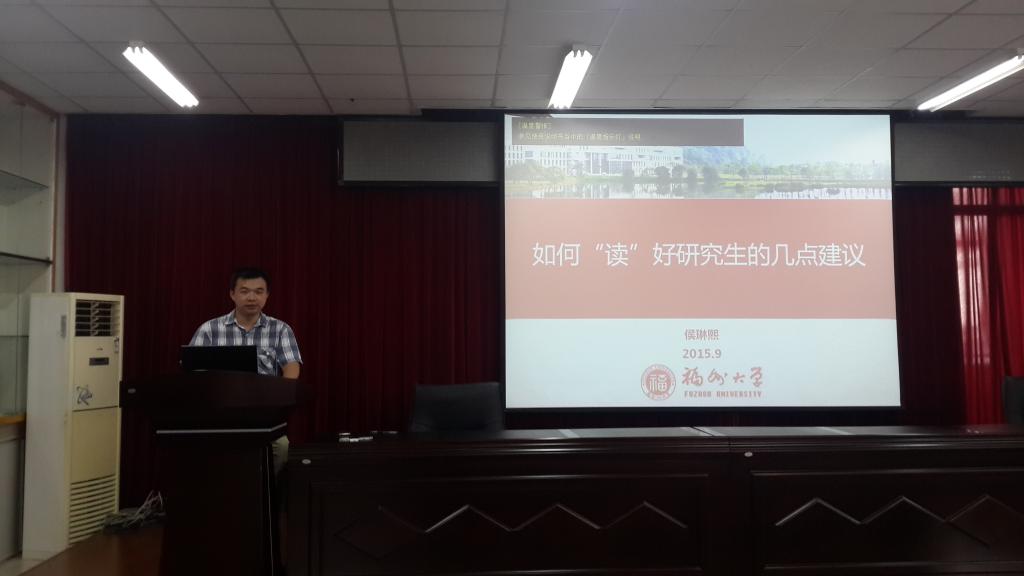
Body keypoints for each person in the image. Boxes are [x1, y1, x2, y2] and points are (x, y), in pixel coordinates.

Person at [190, 267, 301, 474]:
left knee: (282, 448)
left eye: (259, 291)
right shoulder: (209, 330)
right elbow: (193, 373)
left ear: (267, 295)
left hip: (264, 415)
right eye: (244, 291)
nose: (252, 297)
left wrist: (279, 400)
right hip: (219, 415)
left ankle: (268, 494)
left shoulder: (280, 330)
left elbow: (291, 367)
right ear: (232, 294)